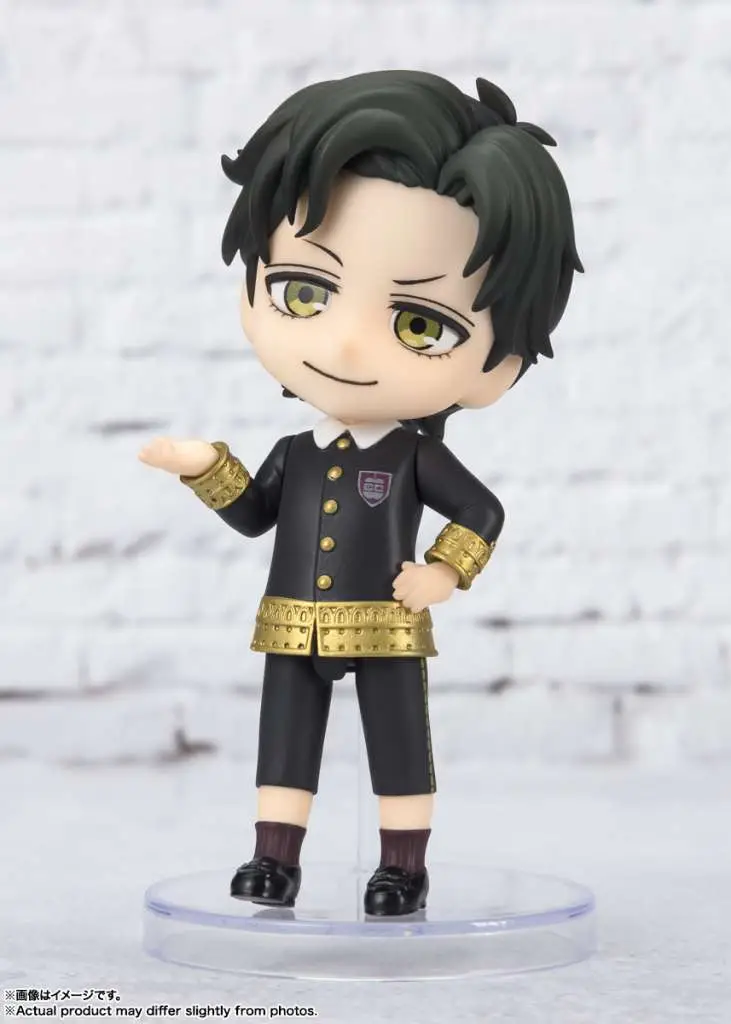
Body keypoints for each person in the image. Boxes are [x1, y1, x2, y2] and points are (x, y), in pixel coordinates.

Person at [139, 70, 582, 916]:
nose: (345, 345)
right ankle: (274, 857)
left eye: (420, 324)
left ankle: (402, 867)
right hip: (291, 621)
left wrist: (443, 573)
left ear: (498, 368)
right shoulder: (294, 452)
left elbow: (482, 511)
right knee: (284, 742)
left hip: (386, 622)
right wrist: (203, 466)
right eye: (304, 291)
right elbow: (254, 515)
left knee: (399, 747)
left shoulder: (414, 456)